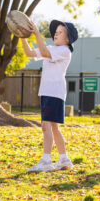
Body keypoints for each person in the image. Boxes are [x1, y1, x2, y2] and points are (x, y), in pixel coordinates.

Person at [21, 19, 78, 172]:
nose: (56, 34)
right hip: (47, 92)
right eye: (56, 32)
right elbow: (29, 53)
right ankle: (64, 159)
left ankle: (46, 160)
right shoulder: (52, 48)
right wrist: (22, 37)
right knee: (53, 127)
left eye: (60, 32)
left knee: (46, 126)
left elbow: (45, 52)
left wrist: (37, 33)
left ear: (68, 39)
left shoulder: (65, 50)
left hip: (54, 92)